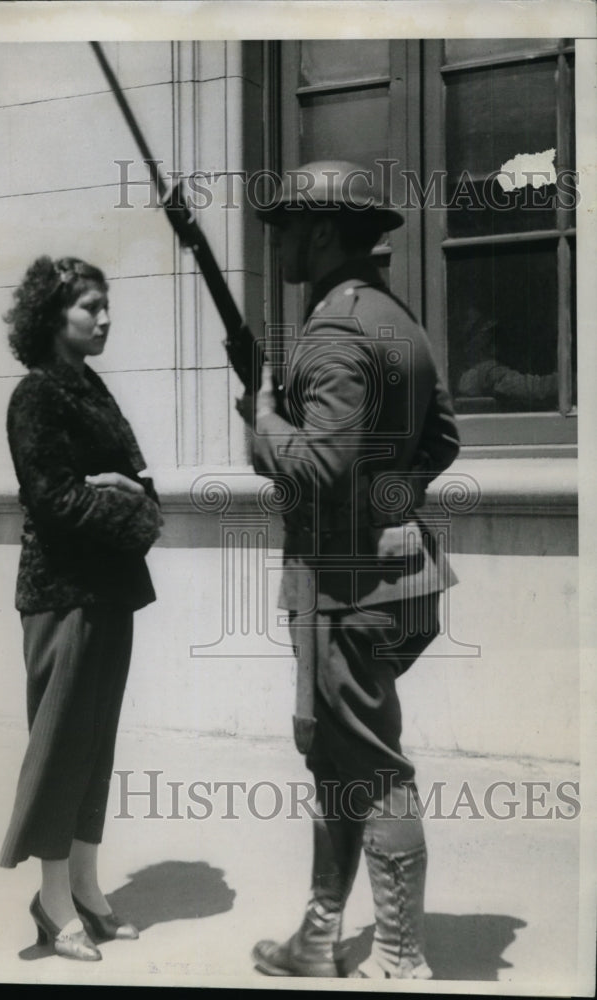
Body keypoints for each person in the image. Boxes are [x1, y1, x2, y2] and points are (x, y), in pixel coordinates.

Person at [236, 161, 460, 979]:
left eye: (288, 226)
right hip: (390, 581)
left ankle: (400, 958)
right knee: (335, 756)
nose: (280, 241)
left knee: (369, 764)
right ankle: (322, 936)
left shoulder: (332, 331)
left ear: (324, 229)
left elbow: (317, 472)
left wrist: (262, 421)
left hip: (345, 589)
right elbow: (440, 442)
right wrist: (389, 504)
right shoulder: (398, 320)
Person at [0, 256, 163, 960]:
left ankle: (89, 889)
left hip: (110, 591)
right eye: (90, 307)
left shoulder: (92, 388)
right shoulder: (35, 396)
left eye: (105, 305)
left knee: (95, 748)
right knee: (61, 748)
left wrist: (129, 497)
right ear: (52, 316)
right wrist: (125, 502)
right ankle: (52, 898)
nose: (104, 318)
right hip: (61, 595)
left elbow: (142, 485)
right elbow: (58, 503)